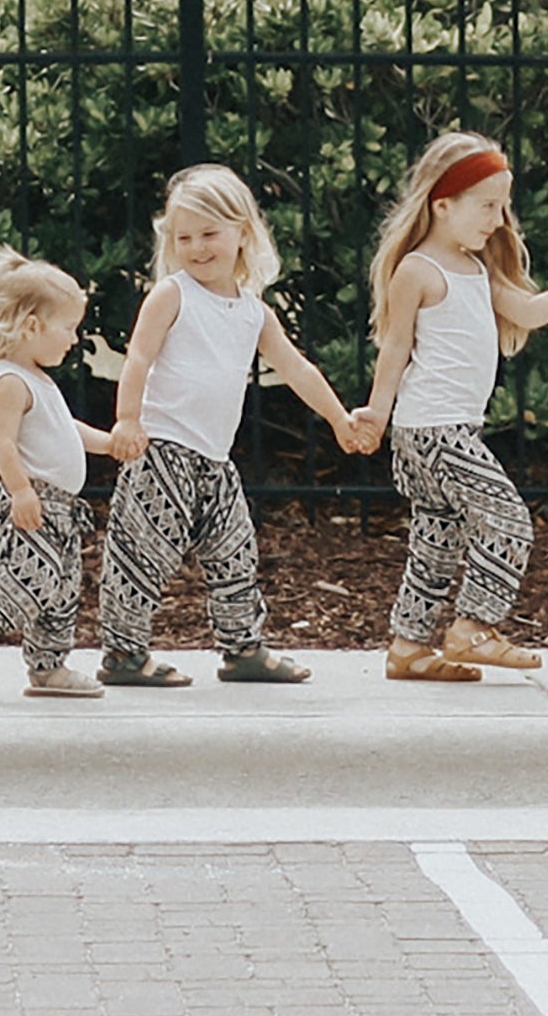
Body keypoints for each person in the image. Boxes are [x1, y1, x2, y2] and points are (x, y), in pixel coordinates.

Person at [97, 163, 363, 686]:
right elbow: (137, 360)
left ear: (243, 232)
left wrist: (338, 416)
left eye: (210, 234)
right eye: (184, 237)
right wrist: (127, 419)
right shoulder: (172, 294)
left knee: (235, 551)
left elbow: (295, 368)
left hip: (215, 460)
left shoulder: (254, 313)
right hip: (163, 451)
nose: (197, 248)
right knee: (141, 551)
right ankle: (122, 653)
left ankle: (243, 648)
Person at [355, 131, 548, 683]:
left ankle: (408, 647)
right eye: (487, 205)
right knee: (508, 520)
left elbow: (531, 313)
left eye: (503, 205)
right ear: (442, 204)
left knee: (437, 541)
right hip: (431, 432)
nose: (498, 218)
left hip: (447, 429)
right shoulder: (419, 270)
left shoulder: (478, 271)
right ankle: (473, 628)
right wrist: (375, 412)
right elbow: (394, 349)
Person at [0, 247, 113, 698]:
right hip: (33, 504)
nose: (73, 339)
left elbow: (63, 430)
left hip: (61, 510)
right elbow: (3, 444)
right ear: (32, 326)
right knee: (27, 583)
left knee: (62, 589)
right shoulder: (10, 381)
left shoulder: (39, 380)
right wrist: (21, 492)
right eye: (68, 327)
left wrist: (108, 444)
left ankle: (48, 666)